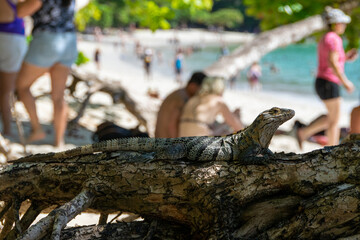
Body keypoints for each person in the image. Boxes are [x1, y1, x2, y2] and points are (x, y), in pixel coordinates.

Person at [16, 0, 78, 147]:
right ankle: (59, 141)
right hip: (69, 40)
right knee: (58, 96)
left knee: (22, 86)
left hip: (47, 39)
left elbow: (22, 11)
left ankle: (37, 129)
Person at [296, 7, 358, 148]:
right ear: (336, 23)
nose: (344, 26)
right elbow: (332, 63)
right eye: (342, 23)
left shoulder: (325, 37)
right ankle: (332, 149)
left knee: (332, 118)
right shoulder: (334, 38)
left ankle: (304, 132)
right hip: (329, 81)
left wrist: (346, 58)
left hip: (322, 81)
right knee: (334, 121)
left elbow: (331, 60)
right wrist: (346, 82)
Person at [0, 0, 40, 136]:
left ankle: (7, 129)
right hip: (12, 40)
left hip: (10, 39)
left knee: (5, 92)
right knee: (6, 91)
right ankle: (7, 130)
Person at [179, 76, 243, 137]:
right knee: (232, 132)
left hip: (184, 143)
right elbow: (238, 127)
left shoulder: (193, 99)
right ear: (220, 89)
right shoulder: (218, 101)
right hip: (200, 143)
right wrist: (236, 116)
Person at [155, 72, 207, 138]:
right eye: (201, 89)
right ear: (193, 85)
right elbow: (171, 126)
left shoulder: (180, 93)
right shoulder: (182, 99)